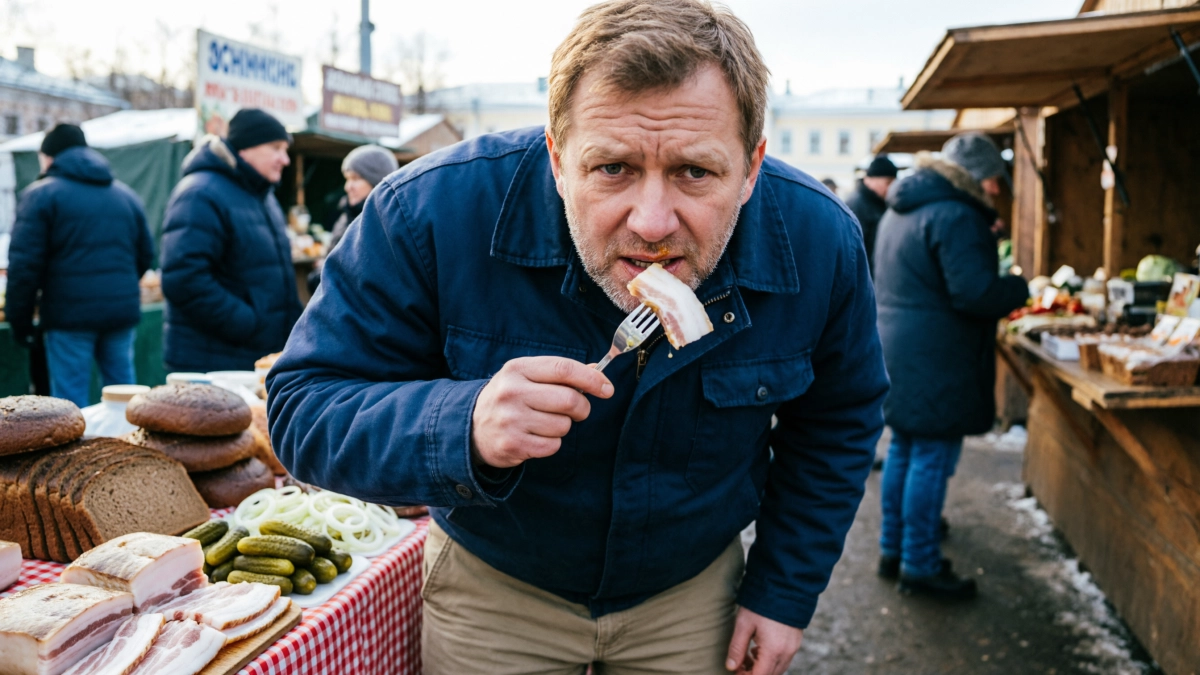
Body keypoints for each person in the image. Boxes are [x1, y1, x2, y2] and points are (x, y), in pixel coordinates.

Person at [267, 2, 888, 673]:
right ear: (558, 159)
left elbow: (837, 422)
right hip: (495, 584)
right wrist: (463, 425)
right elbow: (303, 407)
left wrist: (784, 589)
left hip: (690, 587)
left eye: (695, 172)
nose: (652, 223)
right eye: (612, 168)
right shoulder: (428, 213)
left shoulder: (820, 240)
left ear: (752, 168)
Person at [873, 132, 1028, 599]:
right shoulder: (958, 215)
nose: (997, 190)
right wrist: (1019, 288)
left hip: (900, 350)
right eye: (994, 180)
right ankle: (919, 564)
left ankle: (892, 550)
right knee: (932, 457)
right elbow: (974, 292)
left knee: (904, 447)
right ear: (976, 178)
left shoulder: (903, 208)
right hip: (938, 356)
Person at [7, 124, 154, 407]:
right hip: (119, 313)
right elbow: (146, 255)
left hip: (68, 317)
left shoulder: (41, 195)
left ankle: (77, 454)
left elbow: (25, 267)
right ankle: (131, 449)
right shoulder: (126, 196)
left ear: (49, 157)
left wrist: (20, 319)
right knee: (124, 397)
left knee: (69, 406)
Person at [160, 108, 303, 373]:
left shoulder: (264, 197)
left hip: (254, 356)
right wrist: (249, 323)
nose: (285, 159)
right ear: (246, 148)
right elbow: (183, 279)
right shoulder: (199, 194)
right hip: (212, 362)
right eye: (276, 148)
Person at [307, 144, 398, 293]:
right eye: (347, 179)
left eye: (355, 179)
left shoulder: (382, 225)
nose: (348, 187)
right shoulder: (345, 216)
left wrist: (320, 275)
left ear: (377, 182)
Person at [844, 155, 897, 275]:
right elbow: (853, 250)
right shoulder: (857, 204)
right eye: (888, 182)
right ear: (871, 179)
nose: (891, 187)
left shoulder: (879, 201)